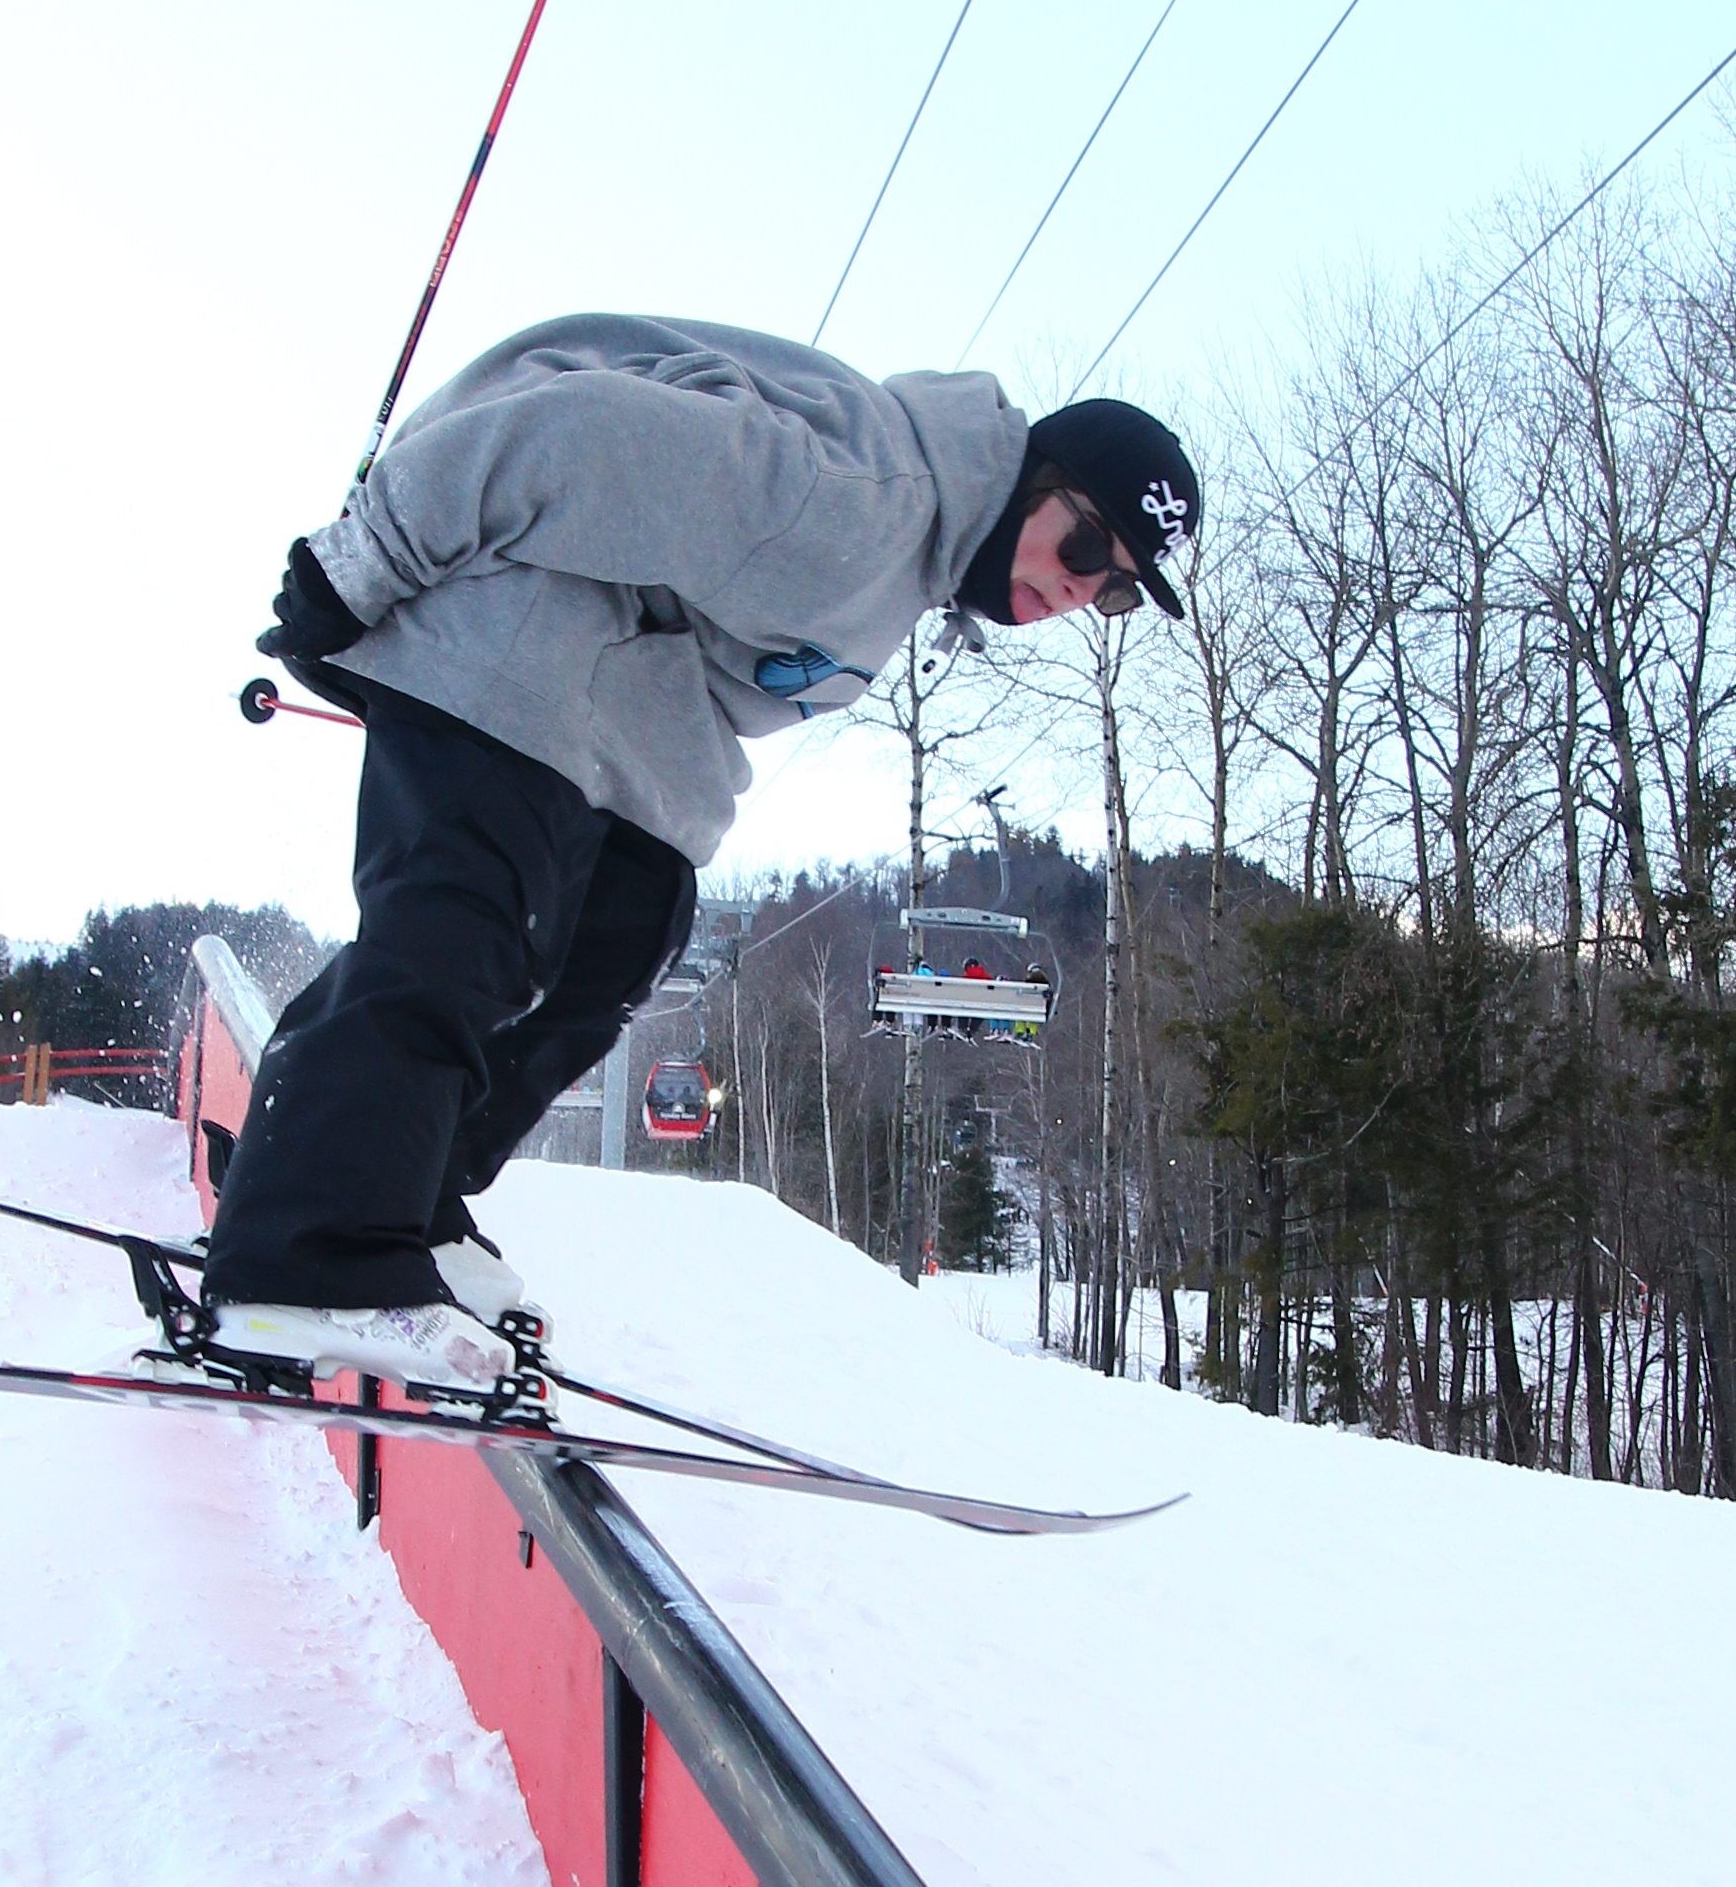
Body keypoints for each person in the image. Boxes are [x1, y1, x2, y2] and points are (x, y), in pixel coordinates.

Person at [206, 313, 1200, 1389]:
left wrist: (659, 835)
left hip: (600, 699)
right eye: (1086, 545)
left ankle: (407, 1198)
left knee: (619, 937)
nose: (1079, 588)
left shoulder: (910, 561)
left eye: (1116, 590)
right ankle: (310, 1254)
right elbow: (572, 438)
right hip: (502, 626)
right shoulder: (856, 501)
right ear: (1030, 477)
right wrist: (359, 567)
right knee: (465, 928)